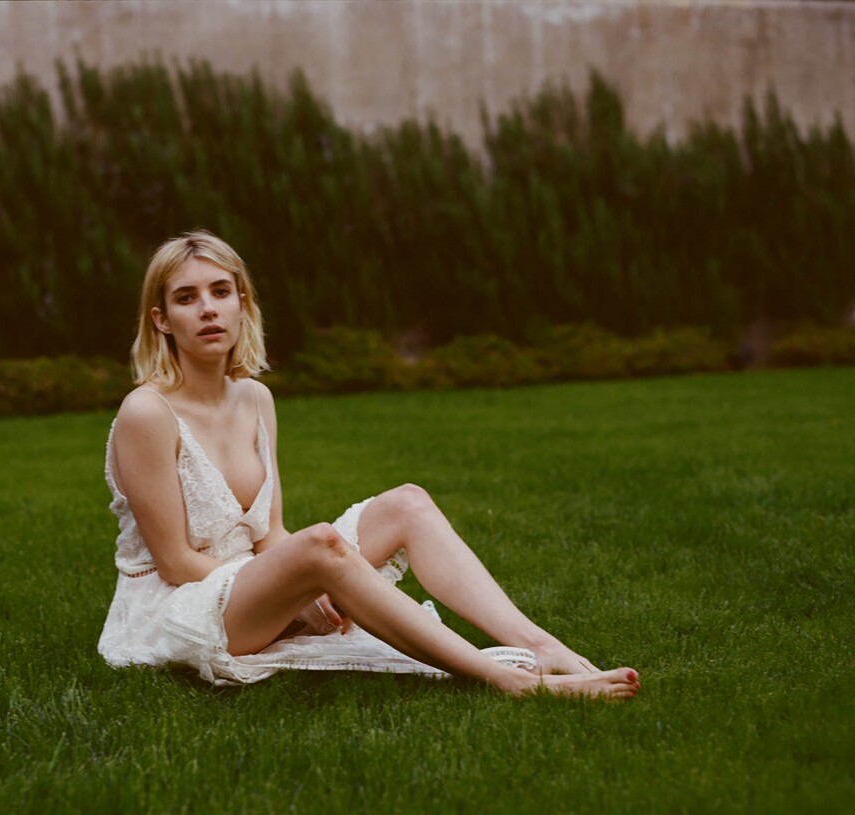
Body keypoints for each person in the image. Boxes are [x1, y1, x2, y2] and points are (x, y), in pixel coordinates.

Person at [98, 230, 640, 699]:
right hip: (182, 607)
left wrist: (298, 584)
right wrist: (301, 588)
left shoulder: (255, 399)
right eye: (186, 298)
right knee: (321, 545)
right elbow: (174, 562)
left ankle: (540, 645)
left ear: (242, 303)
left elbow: (269, 533)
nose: (208, 309)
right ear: (161, 319)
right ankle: (506, 680)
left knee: (407, 504)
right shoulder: (147, 412)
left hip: (256, 589)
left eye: (220, 292)